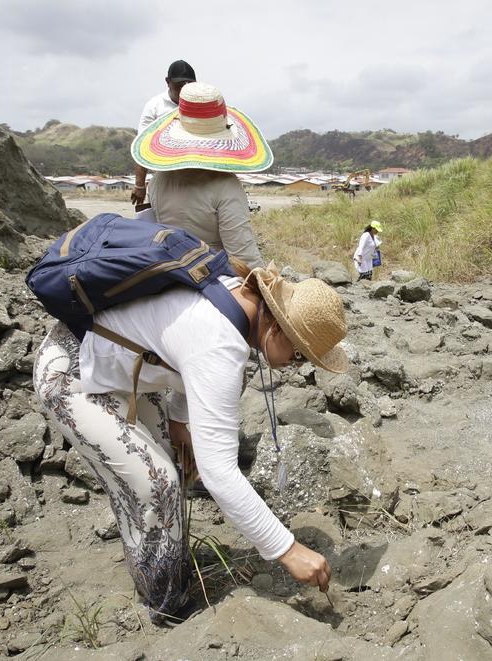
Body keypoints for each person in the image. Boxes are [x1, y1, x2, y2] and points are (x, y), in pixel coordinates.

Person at [32, 260, 347, 623]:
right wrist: (287, 549)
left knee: (170, 463)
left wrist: (181, 422)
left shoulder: (235, 295)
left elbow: (183, 353)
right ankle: (167, 608)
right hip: (72, 373)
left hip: (126, 367)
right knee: (157, 484)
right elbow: (221, 473)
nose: (296, 366)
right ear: (276, 328)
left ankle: (167, 558)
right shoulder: (222, 345)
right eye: (298, 355)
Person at [132, 81, 271, 269]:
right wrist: (266, 286)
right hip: (213, 281)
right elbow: (243, 258)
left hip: (169, 274)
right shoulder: (226, 186)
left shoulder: (158, 180)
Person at [131, 60, 197, 208]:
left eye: (189, 84)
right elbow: (142, 144)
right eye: (179, 85)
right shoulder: (154, 107)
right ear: (168, 82)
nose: (184, 90)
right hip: (165, 176)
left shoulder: (202, 103)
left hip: (196, 175)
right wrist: (140, 185)